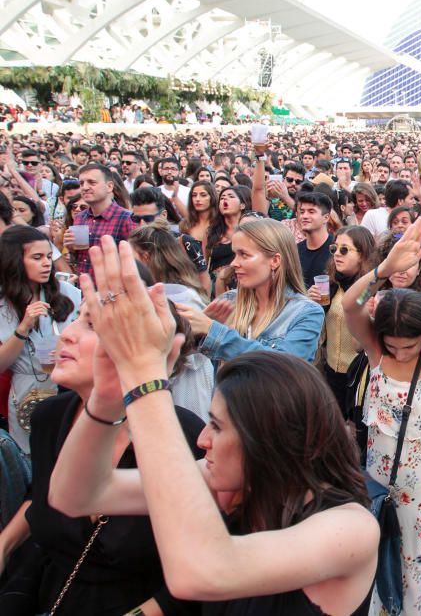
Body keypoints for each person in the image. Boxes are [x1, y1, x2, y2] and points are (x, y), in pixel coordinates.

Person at [46, 237, 378, 615]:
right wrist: (107, 395)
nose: (202, 439)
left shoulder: (349, 528)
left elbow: (201, 572)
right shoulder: (233, 480)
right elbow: (73, 496)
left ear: (270, 438)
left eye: (217, 426)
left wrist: (144, 379)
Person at [0, 289, 203, 615]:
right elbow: (41, 511)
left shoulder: (185, 436)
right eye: (75, 319)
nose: (66, 334)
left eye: (92, 325)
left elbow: (203, 569)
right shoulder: (50, 419)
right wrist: (5, 546)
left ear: (142, 349)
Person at [343, 218, 421, 614]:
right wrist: (381, 271)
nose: (399, 353)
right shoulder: (376, 353)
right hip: (385, 490)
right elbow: (350, 305)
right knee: (390, 572)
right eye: (392, 345)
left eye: (409, 346)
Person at [177, 218, 324, 362]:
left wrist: (214, 332)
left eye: (244, 254)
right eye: (235, 254)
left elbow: (285, 366)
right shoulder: (229, 301)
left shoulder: (306, 312)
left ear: (274, 261)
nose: (234, 263)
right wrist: (195, 334)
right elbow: (180, 359)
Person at [0, 226, 80, 453]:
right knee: (32, 458)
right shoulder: (3, 304)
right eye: (37, 258)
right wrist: (23, 327)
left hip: (67, 387)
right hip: (26, 392)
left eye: (48, 256)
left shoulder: (67, 292)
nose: (46, 263)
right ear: (15, 261)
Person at [129, 224, 215, 421]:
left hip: (186, 382)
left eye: (130, 256)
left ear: (146, 257)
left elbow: (194, 353)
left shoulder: (184, 296)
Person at [307, 225, 376, 418]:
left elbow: (362, 343)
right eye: (334, 249)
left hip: (356, 375)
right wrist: (310, 303)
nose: (337, 254)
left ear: (362, 254)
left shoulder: (369, 290)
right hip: (330, 372)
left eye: (344, 250)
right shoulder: (330, 285)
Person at [62, 163, 135, 277]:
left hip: (113, 291)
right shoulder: (80, 217)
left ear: (109, 186)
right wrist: (71, 248)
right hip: (85, 289)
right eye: (81, 183)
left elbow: (136, 261)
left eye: (92, 182)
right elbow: (81, 259)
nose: (85, 187)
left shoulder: (126, 218)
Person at [294, 191, 335, 288]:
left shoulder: (336, 249)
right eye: (302, 212)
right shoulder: (295, 251)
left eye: (311, 212)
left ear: (326, 217)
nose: (304, 216)